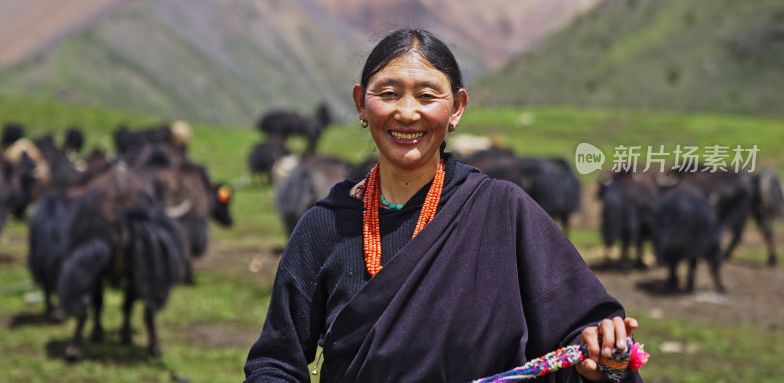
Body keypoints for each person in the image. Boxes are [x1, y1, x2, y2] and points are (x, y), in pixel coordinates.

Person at [244, 28, 642, 382]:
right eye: (387, 93)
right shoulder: (325, 225)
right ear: (361, 104)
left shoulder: (503, 212)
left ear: (456, 108)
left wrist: (605, 360)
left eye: (427, 95)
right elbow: (276, 363)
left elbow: (585, 339)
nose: (407, 111)